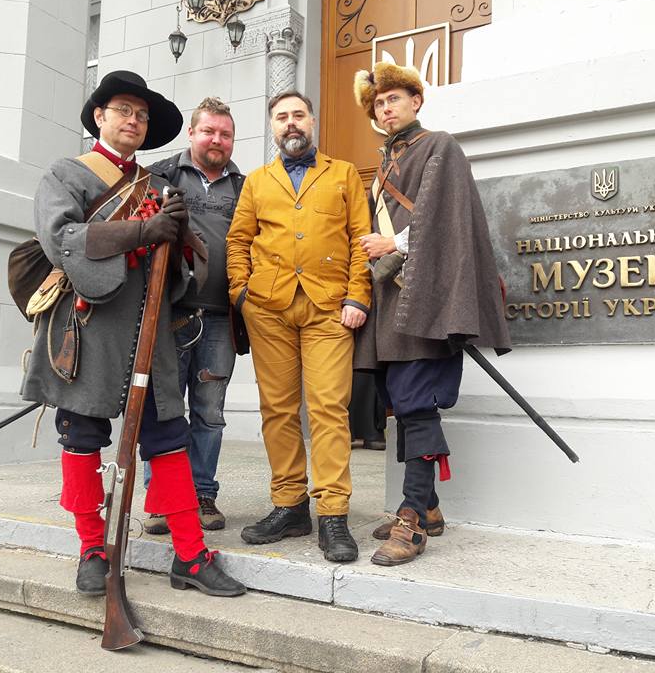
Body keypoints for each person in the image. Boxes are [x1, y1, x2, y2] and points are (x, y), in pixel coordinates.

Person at [20, 70, 245, 597]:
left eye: (142, 115)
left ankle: (190, 555)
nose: (134, 120)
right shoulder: (65, 174)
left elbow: (182, 275)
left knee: (168, 437)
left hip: (151, 329)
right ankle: (91, 549)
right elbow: (61, 239)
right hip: (87, 327)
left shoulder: (160, 188)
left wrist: (182, 242)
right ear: (100, 116)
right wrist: (143, 230)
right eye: (124, 110)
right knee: (82, 438)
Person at [352, 62, 512, 566]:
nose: (386, 109)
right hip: (391, 303)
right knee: (402, 405)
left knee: (418, 405)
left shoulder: (439, 145)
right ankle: (430, 507)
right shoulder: (385, 161)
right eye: (379, 104)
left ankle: (412, 520)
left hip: (427, 299)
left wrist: (393, 243)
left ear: (416, 101)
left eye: (394, 99)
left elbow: (445, 218)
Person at [226, 91, 372, 562]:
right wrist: (241, 293)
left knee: (329, 408)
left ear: (313, 120)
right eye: (281, 117)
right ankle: (289, 506)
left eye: (298, 115)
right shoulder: (256, 181)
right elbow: (238, 240)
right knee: (278, 410)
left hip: (329, 307)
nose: (291, 123)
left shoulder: (343, 174)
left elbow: (360, 240)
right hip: (268, 309)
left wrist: (357, 296)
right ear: (272, 126)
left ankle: (332, 513)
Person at [141, 97, 246, 535]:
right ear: (192, 133)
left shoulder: (245, 187)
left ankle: (202, 494)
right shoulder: (160, 175)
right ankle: (163, 499)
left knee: (209, 413)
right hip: (170, 314)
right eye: (209, 131)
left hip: (221, 319)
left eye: (225, 134)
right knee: (164, 410)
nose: (217, 140)